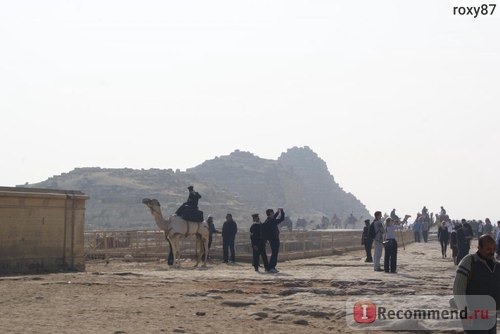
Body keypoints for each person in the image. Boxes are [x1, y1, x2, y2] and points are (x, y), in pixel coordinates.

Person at [453, 235, 500, 333]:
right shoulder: (469, 262)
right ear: (479, 247)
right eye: (488, 249)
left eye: (494, 249)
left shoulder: (497, 266)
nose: (492, 252)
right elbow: (458, 290)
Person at [262, 208, 285, 273]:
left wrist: (277, 212)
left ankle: (270, 267)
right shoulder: (271, 221)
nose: (273, 214)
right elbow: (281, 219)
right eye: (272, 213)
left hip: (272, 240)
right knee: (274, 253)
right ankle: (272, 267)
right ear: (270, 214)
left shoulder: (268, 220)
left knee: (274, 253)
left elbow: (274, 218)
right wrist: (282, 212)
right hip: (274, 239)